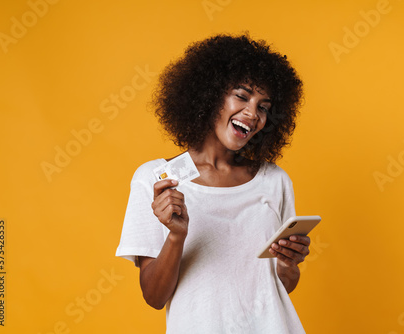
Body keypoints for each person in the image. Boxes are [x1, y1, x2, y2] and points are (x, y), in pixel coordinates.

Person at [116, 33, 310, 333]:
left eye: (264, 107)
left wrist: (287, 264)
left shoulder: (274, 180)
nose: (252, 114)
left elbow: (279, 287)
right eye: (242, 96)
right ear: (210, 94)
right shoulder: (157, 180)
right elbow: (154, 297)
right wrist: (176, 237)